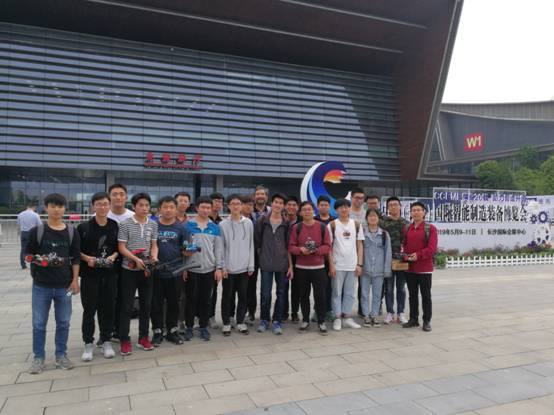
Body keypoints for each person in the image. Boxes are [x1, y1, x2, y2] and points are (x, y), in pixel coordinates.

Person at [26, 193, 81, 374]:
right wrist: (38, 259)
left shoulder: (72, 232)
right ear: (46, 207)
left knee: (64, 322)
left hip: (65, 286)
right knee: (38, 324)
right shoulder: (37, 231)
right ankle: (38, 357)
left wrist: (75, 281)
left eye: (60, 206)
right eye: (52, 206)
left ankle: (61, 355)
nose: (56, 209)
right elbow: (28, 255)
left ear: (64, 208)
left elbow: (75, 259)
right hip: (41, 286)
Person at [78, 192, 119, 361]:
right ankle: (88, 343)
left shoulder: (114, 225)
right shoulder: (84, 227)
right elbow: (76, 251)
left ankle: (106, 341)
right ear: (93, 206)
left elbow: (119, 248)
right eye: (99, 204)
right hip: (90, 276)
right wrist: (88, 259)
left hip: (109, 275)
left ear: (109, 205)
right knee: (89, 310)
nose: (102, 207)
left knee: (108, 309)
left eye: (105, 204)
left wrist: (113, 257)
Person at [117, 192, 159, 355]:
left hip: (147, 270)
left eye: (147, 205)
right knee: (126, 306)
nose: (144, 208)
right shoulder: (125, 224)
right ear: (134, 206)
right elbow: (121, 247)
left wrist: (154, 257)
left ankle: (143, 338)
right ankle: (124, 340)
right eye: (141, 205)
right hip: (129, 271)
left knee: (146, 305)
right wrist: (135, 259)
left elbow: (154, 245)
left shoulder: (153, 224)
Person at [183, 196, 224, 341]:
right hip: (192, 269)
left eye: (208, 207)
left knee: (206, 300)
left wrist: (219, 268)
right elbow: (184, 248)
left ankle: (203, 327)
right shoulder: (188, 226)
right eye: (203, 207)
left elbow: (218, 250)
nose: (206, 210)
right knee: (191, 299)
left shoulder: (215, 227)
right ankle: (189, 327)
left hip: (209, 270)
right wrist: (184, 268)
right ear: (197, 208)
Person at [289, 201, 332, 335]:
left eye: (309, 209)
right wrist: (301, 250)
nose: (307, 212)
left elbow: (328, 246)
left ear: (313, 211)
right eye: (304, 210)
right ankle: (305, 320)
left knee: (320, 295)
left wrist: (316, 251)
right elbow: (291, 246)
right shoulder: (296, 227)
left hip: (319, 267)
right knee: (303, 295)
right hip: (301, 268)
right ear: (300, 212)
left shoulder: (322, 227)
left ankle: (321, 321)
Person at [151, 196, 189, 347]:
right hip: (156, 272)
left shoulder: (181, 228)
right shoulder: (153, 226)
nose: (168, 210)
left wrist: (190, 250)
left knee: (174, 303)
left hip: (175, 272)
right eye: (165, 207)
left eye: (171, 207)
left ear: (175, 209)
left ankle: (172, 331)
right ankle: (158, 331)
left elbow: (185, 249)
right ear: (160, 209)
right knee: (156, 303)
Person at [255, 193, 291, 335]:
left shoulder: (286, 223)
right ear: (272, 203)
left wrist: (289, 264)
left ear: (283, 206)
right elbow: (257, 241)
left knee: (281, 293)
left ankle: (277, 321)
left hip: (282, 264)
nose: (278, 205)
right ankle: (264, 319)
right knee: (265, 294)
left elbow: (288, 245)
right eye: (276, 202)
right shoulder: (262, 221)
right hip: (266, 264)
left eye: (281, 203)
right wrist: (262, 256)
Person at [220, 194, 255, 336]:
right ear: (228, 206)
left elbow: (251, 244)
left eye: (238, 204)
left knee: (243, 296)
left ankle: (240, 322)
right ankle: (226, 323)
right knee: (227, 297)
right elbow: (221, 247)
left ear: (242, 206)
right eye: (233, 204)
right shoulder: (223, 224)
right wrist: (223, 267)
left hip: (244, 268)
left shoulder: (249, 223)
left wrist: (251, 265)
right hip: (228, 269)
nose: (235, 206)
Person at [327, 199, 364, 331]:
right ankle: (337, 317)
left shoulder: (356, 224)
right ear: (336, 210)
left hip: (352, 265)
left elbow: (360, 245)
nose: (344, 209)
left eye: (346, 207)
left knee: (350, 293)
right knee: (336, 292)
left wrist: (359, 264)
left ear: (349, 209)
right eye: (340, 207)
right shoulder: (332, 225)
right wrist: (331, 265)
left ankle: (347, 317)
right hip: (338, 265)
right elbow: (329, 247)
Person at [402, 202, 438, 332]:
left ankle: (427, 321)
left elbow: (432, 249)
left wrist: (418, 255)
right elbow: (404, 245)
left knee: (426, 295)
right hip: (410, 268)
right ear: (410, 213)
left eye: (418, 210)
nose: (416, 212)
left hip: (424, 269)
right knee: (412, 295)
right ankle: (413, 319)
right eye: (413, 210)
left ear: (424, 213)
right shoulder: (407, 228)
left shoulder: (430, 228)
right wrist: (405, 256)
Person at [107, 183, 134, 344]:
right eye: (114, 194)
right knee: (107, 299)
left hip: (127, 264)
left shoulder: (132, 216)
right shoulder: (103, 214)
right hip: (107, 265)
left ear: (126, 197)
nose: (118, 197)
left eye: (121, 194)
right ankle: (106, 331)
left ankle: (120, 330)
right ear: (109, 196)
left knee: (124, 299)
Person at [380, 196, 410, 325]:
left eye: (395, 204)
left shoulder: (406, 223)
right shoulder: (383, 223)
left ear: (400, 206)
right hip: (387, 260)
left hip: (402, 261)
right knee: (388, 287)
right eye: (391, 205)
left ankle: (401, 312)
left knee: (401, 288)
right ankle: (390, 313)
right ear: (387, 207)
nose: (393, 207)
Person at [360, 208, 391, 327]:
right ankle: (366, 316)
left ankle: (374, 315)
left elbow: (388, 252)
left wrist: (386, 270)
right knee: (364, 294)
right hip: (365, 270)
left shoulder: (384, 234)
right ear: (366, 218)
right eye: (370, 216)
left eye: (375, 216)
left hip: (379, 270)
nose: (372, 218)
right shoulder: (362, 232)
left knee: (377, 294)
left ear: (378, 219)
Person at [314, 195, 336, 322]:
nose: (324, 207)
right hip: (317, 259)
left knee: (329, 287)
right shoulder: (313, 220)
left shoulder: (334, 221)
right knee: (318, 287)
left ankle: (328, 310)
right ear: (317, 206)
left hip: (331, 259)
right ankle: (317, 311)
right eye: (321, 205)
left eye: (326, 205)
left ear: (329, 206)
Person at [174, 191, 191, 332]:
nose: (183, 203)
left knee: (183, 295)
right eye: (180, 200)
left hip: (184, 263)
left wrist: (185, 267)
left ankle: (181, 321)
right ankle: (166, 323)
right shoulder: (166, 219)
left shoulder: (190, 222)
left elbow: (190, 246)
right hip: (167, 263)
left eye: (186, 201)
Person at [241, 194, 259, 324]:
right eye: (246, 204)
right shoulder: (236, 220)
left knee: (251, 287)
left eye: (251, 205)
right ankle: (235, 313)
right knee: (239, 287)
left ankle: (251, 312)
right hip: (238, 258)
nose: (249, 207)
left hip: (253, 258)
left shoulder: (257, 220)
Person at [207, 192, 224, 329]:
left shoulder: (221, 222)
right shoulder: (202, 219)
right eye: (216, 201)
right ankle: (198, 316)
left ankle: (211, 315)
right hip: (202, 261)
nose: (218, 204)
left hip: (216, 262)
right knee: (199, 291)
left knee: (214, 291)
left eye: (220, 202)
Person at [282, 195, 300, 322]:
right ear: (285, 206)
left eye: (294, 205)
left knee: (296, 288)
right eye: (289, 205)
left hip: (298, 259)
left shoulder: (301, 221)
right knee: (283, 287)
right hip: (283, 259)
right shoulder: (280, 221)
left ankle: (294, 312)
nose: (291, 207)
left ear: (298, 207)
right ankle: (284, 312)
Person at [17, 202, 42, 269]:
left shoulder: (20, 214)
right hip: (32, 233)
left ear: (27, 207)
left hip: (23, 233)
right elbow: (40, 225)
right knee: (34, 249)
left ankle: (23, 265)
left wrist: (19, 233)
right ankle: (34, 264)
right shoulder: (35, 215)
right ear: (33, 207)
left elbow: (18, 224)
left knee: (23, 249)